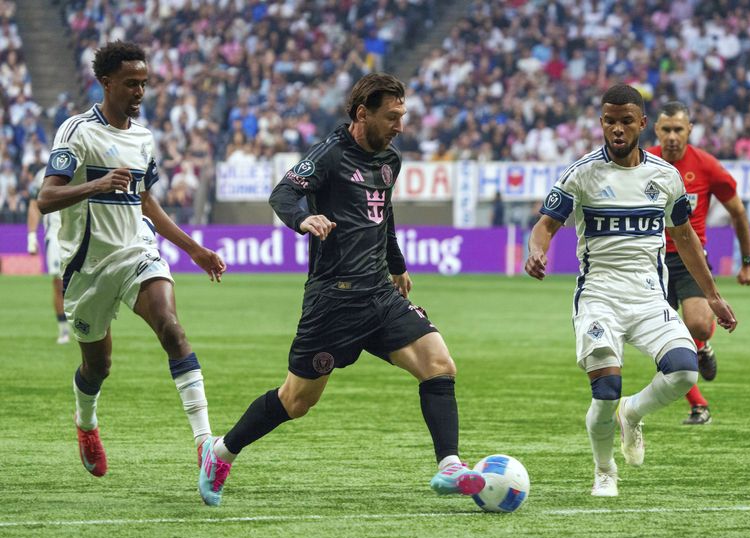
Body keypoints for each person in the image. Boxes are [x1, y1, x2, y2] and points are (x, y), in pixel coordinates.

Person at [197, 72, 484, 507]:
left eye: (402, 116)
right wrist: (304, 220)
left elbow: (382, 214)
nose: (399, 126)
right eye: (391, 117)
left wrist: (396, 265)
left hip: (379, 295)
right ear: (361, 113)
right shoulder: (329, 155)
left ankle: (450, 467)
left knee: (439, 363)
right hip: (333, 300)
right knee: (296, 401)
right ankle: (220, 453)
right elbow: (283, 194)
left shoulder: (391, 160)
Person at [525, 84, 737, 498]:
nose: (617, 129)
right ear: (601, 123)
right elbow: (545, 224)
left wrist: (712, 295)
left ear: (642, 124)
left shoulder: (664, 177)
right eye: (609, 121)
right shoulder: (581, 173)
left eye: (625, 121)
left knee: (683, 370)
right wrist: (537, 251)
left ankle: (633, 413)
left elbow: (686, 238)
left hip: (648, 298)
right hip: (599, 297)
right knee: (605, 390)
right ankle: (605, 471)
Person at [37, 41, 226, 479]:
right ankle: (86, 424)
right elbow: (46, 198)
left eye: (144, 83)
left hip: (136, 252)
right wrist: (96, 185)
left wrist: (193, 248)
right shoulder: (76, 131)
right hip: (87, 267)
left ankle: (206, 447)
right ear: (106, 83)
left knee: (173, 330)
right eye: (130, 84)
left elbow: (145, 201)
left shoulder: (143, 138)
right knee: (97, 366)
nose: (140, 92)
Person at [648, 101, 750, 425]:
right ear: (656, 130)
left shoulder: (706, 166)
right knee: (663, 341)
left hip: (690, 258)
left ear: (689, 131)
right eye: (665, 129)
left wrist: (748, 260)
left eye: (678, 130)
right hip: (650, 261)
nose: (671, 136)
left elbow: (737, 211)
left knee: (696, 324)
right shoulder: (642, 163)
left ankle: (703, 344)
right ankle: (698, 405)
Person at [27, 167, 70, 345]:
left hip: (81, 232)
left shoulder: (86, 163)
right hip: (55, 233)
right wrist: (31, 236)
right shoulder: (43, 173)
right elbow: (34, 205)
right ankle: (64, 330)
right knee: (59, 283)